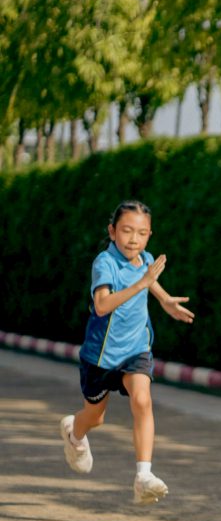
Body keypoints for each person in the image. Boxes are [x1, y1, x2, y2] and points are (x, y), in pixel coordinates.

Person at [60, 200, 195, 505]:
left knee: (142, 400)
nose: (134, 239)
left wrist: (163, 300)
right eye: (126, 231)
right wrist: (144, 283)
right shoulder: (104, 263)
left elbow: (148, 278)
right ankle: (74, 434)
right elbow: (102, 305)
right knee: (95, 418)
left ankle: (143, 476)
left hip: (136, 349)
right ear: (112, 231)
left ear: (149, 236)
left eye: (142, 233)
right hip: (100, 356)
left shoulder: (143, 259)